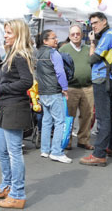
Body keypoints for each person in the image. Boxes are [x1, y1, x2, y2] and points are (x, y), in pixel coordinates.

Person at [0, 19, 34, 209]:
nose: (5, 36)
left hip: (15, 107)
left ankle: (18, 194)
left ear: (18, 34)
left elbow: (27, 82)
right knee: (0, 149)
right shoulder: (12, 53)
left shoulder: (20, 55)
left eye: (9, 33)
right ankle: (7, 185)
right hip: (6, 106)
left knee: (14, 153)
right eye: (5, 32)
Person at [80, 12, 112, 167]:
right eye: (91, 24)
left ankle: (99, 154)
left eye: (96, 22)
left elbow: (93, 58)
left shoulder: (108, 36)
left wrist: (92, 44)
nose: (94, 26)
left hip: (102, 79)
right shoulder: (110, 35)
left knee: (103, 117)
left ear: (104, 21)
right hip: (107, 79)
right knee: (108, 115)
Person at [35, 30, 71, 164]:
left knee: (46, 121)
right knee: (59, 121)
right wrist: (65, 88)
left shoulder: (37, 53)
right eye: (53, 38)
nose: (56, 40)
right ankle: (56, 151)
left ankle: (45, 149)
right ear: (45, 41)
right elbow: (60, 72)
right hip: (54, 91)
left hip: (43, 91)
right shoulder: (54, 53)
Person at [59, 24, 95, 149]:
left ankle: (83, 140)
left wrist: (93, 43)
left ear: (82, 35)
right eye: (73, 34)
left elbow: (94, 62)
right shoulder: (64, 50)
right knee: (69, 116)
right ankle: (67, 141)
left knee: (87, 115)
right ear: (69, 36)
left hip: (88, 87)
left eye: (78, 34)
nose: (75, 36)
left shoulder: (88, 48)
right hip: (70, 88)